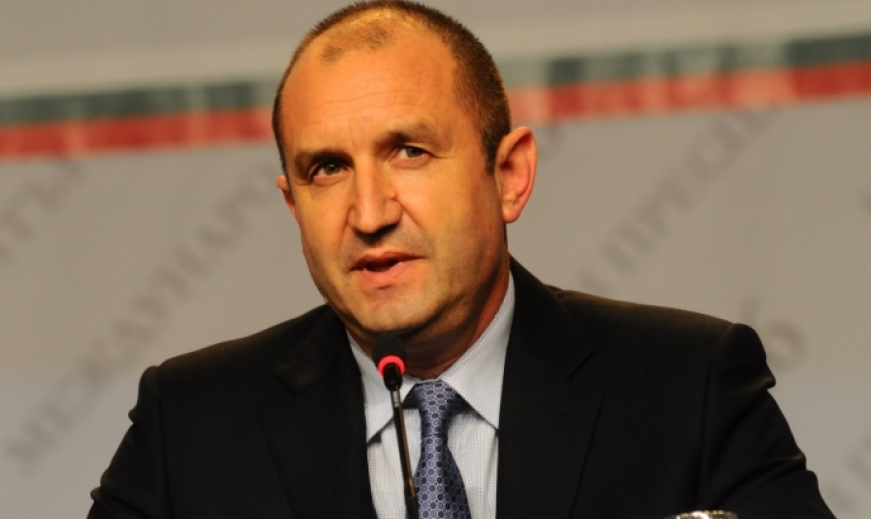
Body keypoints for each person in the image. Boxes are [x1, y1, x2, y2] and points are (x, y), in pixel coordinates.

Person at [88, 2, 836, 518]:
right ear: (292, 204)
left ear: (509, 176)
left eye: (409, 152)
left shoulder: (687, 386)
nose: (370, 213)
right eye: (327, 169)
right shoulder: (191, 424)